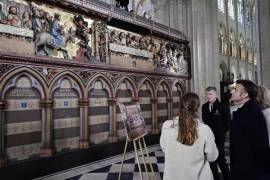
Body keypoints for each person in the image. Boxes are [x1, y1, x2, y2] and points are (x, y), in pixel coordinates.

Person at [160, 93, 218, 180]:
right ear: (197, 108)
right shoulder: (205, 129)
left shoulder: (167, 126)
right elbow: (212, 157)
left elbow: (165, 148)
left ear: (181, 106)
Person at [230, 79, 270, 180]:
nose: (231, 91)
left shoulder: (252, 112)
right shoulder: (244, 110)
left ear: (245, 94)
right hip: (243, 168)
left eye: (236, 89)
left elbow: (261, 145)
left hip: (251, 172)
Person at [201, 86, 230, 180]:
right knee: (211, 162)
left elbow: (227, 124)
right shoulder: (204, 107)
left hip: (218, 139)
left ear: (216, 95)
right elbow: (205, 121)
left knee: (221, 162)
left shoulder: (223, 107)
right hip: (208, 139)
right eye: (207, 94)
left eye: (210, 94)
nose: (208, 96)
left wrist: (221, 132)